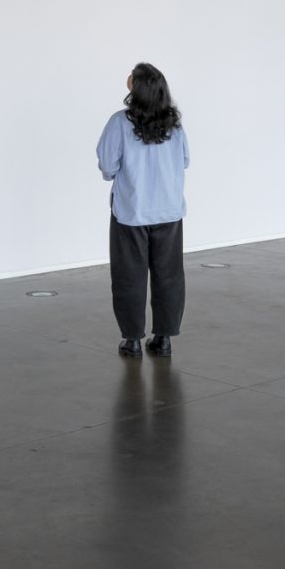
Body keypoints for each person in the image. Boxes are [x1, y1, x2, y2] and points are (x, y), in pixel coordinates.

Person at [97, 62, 189, 357]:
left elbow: (108, 167)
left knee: (129, 276)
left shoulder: (120, 123)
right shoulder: (174, 125)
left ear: (134, 88)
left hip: (131, 212)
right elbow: (185, 161)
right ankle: (163, 338)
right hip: (169, 212)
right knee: (169, 275)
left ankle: (133, 340)